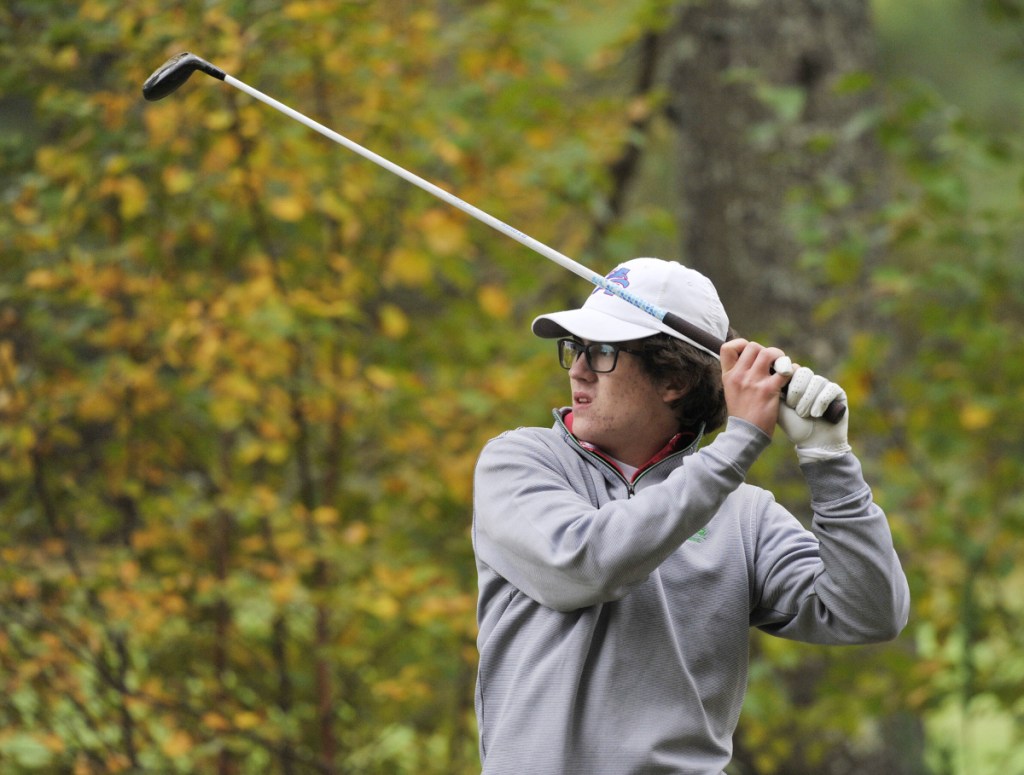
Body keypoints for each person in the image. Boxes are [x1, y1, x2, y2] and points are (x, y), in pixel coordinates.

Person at [471, 258, 910, 774]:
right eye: (575, 348)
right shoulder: (519, 461)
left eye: (603, 352)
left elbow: (869, 613)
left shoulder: (744, 514)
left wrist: (830, 463)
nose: (578, 368)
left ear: (674, 378)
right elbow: (583, 564)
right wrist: (738, 447)